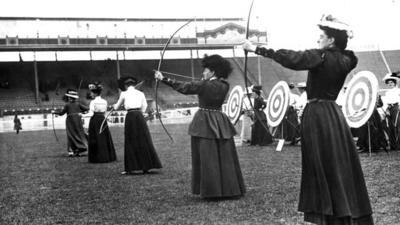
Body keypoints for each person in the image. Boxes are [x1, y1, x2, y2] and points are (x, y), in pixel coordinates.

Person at [243, 14, 373, 224]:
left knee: (321, 164)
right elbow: (346, 54)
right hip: (334, 115)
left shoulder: (321, 57)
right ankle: (344, 213)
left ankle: (331, 216)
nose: (318, 40)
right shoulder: (347, 59)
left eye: (321, 36)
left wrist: (256, 48)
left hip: (317, 116)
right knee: (339, 163)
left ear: (331, 40)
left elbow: (293, 58)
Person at [154, 54, 246, 199]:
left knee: (207, 156)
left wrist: (163, 79)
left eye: (206, 70)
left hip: (204, 120)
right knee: (224, 155)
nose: (203, 72)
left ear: (213, 72)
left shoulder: (204, 84)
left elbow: (184, 87)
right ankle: (230, 188)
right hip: (220, 119)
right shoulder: (225, 85)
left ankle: (212, 191)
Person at [113, 76, 162, 175]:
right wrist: (140, 112)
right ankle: (146, 167)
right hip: (139, 116)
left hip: (130, 116)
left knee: (130, 140)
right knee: (143, 139)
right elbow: (144, 106)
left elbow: (116, 107)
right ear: (133, 84)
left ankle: (130, 168)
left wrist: (115, 106)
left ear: (126, 85)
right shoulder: (140, 93)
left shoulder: (124, 93)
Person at [53, 89, 88, 157]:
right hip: (78, 121)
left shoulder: (67, 105)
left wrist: (54, 112)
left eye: (69, 97)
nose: (68, 98)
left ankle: (72, 151)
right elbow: (87, 109)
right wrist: (82, 112)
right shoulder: (78, 104)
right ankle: (80, 149)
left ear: (70, 97)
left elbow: (61, 113)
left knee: (70, 135)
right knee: (79, 134)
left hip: (70, 122)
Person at [87, 82, 116, 163]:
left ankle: (97, 158)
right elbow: (105, 112)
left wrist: (82, 115)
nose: (91, 94)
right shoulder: (105, 101)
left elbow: (91, 113)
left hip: (95, 120)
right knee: (103, 137)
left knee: (95, 138)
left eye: (92, 92)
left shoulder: (93, 102)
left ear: (95, 93)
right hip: (102, 119)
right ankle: (107, 156)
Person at [381, 72, 400, 150]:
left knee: (396, 126)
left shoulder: (398, 91)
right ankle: (393, 145)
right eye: (388, 83)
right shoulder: (387, 92)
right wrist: (386, 110)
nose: (390, 84)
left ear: (395, 83)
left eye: (391, 82)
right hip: (389, 109)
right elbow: (385, 102)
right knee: (390, 126)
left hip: (396, 108)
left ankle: (398, 144)